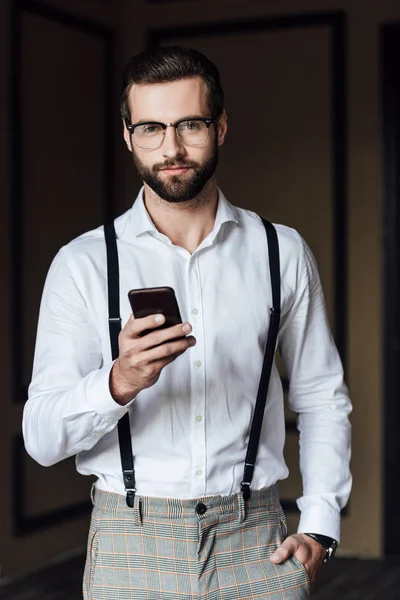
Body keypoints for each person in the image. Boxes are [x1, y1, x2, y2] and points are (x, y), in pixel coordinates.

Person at [23, 46, 352, 600]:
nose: (171, 148)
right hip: (130, 543)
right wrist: (119, 382)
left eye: (189, 124)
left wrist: (320, 523)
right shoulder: (82, 263)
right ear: (128, 136)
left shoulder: (281, 252)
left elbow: (321, 395)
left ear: (220, 127)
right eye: (150, 128)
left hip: (258, 542)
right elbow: (41, 439)